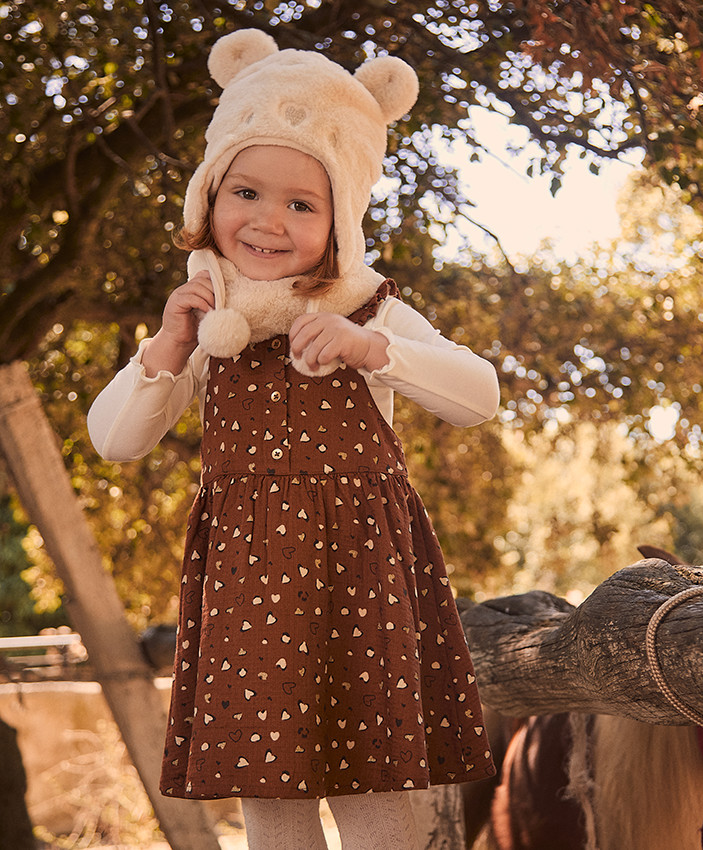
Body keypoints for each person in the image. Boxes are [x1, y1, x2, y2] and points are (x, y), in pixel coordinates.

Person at [88, 29, 498, 850]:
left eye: (302, 204)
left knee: (373, 789)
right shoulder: (210, 323)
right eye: (246, 192)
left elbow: (478, 395)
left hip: (362, 579)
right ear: (209, 196)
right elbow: (115, 440)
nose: (268, 221)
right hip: (248, 588)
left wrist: (376, 351)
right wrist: (167, 348)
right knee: (268, 798)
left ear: (341, 217)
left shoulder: (369, 308)